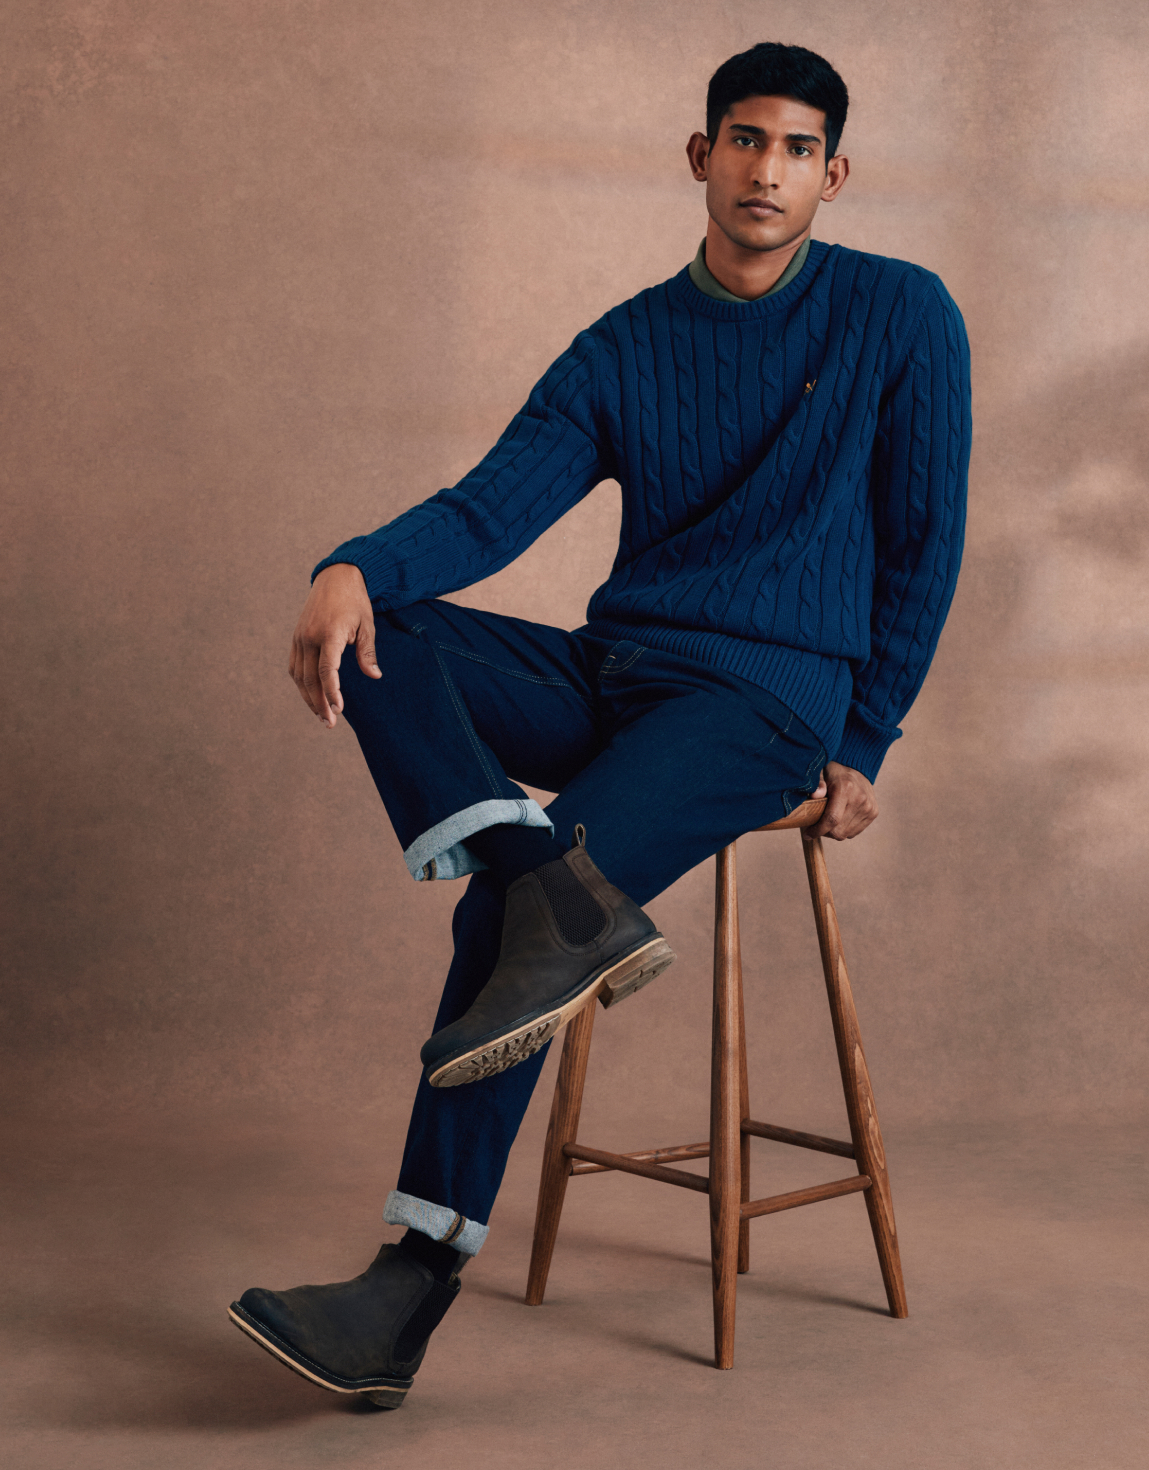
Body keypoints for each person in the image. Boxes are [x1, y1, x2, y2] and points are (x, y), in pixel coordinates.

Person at [228, 41, 970, 1408]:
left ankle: (409, 1282)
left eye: (798, 148)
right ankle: (544, 882)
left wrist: (865, 740)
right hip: (620, 669)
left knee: (508, 920)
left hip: (767, 700)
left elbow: (925, 544)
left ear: (834, 175)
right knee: (393, 632)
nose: (767, 170)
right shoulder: (625, 344)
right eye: (744, 139)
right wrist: (350, 566)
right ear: (701, 156)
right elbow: (489, 508)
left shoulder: (901, 312)